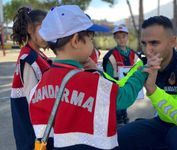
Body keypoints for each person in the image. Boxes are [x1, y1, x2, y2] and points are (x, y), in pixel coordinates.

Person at [29, 5, 161, 150]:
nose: (93, 43)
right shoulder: (91, 81)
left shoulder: (39, 85)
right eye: (90, 38)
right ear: (75, 41)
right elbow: (124, 96)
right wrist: (143, 71)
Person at [118, 16, 177, 150]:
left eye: (154, 43)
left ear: (172, 42)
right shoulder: (144, 63)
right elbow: (121, 87)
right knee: (121, 136)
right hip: (163, 121)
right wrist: (96, 75)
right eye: (144, 43)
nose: (147, 50)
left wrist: (152, 89)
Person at [10, 7, 51, 150]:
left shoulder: (39, 56)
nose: (48, 34)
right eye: (44, 28)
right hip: (34, 137)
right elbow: (34, 102)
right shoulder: (28, 59)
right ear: (29, 28)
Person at [103, 25, 139, 125]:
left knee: (124, 111)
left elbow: (138, 70)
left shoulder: (133, 54)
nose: (121, 39)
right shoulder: (111, 55)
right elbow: (108, 76)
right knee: (118, 114)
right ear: (115, 38)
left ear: (127, 37)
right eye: (118, 37)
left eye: (123, 36)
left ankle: (124, 124)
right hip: (116, 88)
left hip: (127, 87)